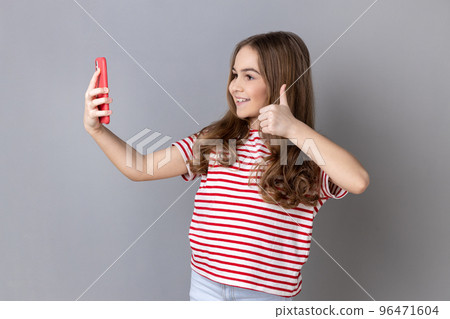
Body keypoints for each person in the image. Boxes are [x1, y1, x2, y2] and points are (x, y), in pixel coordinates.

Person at [83, 31, 370, 301]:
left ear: (282, 81)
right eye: (234, 74)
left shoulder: (304, 154)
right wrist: (96, 130)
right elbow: (140, 167)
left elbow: (357, 180)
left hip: (265, 297)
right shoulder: (218, 141)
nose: (235, 86)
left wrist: (294, 129)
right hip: (205, 286)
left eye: (249, 76)